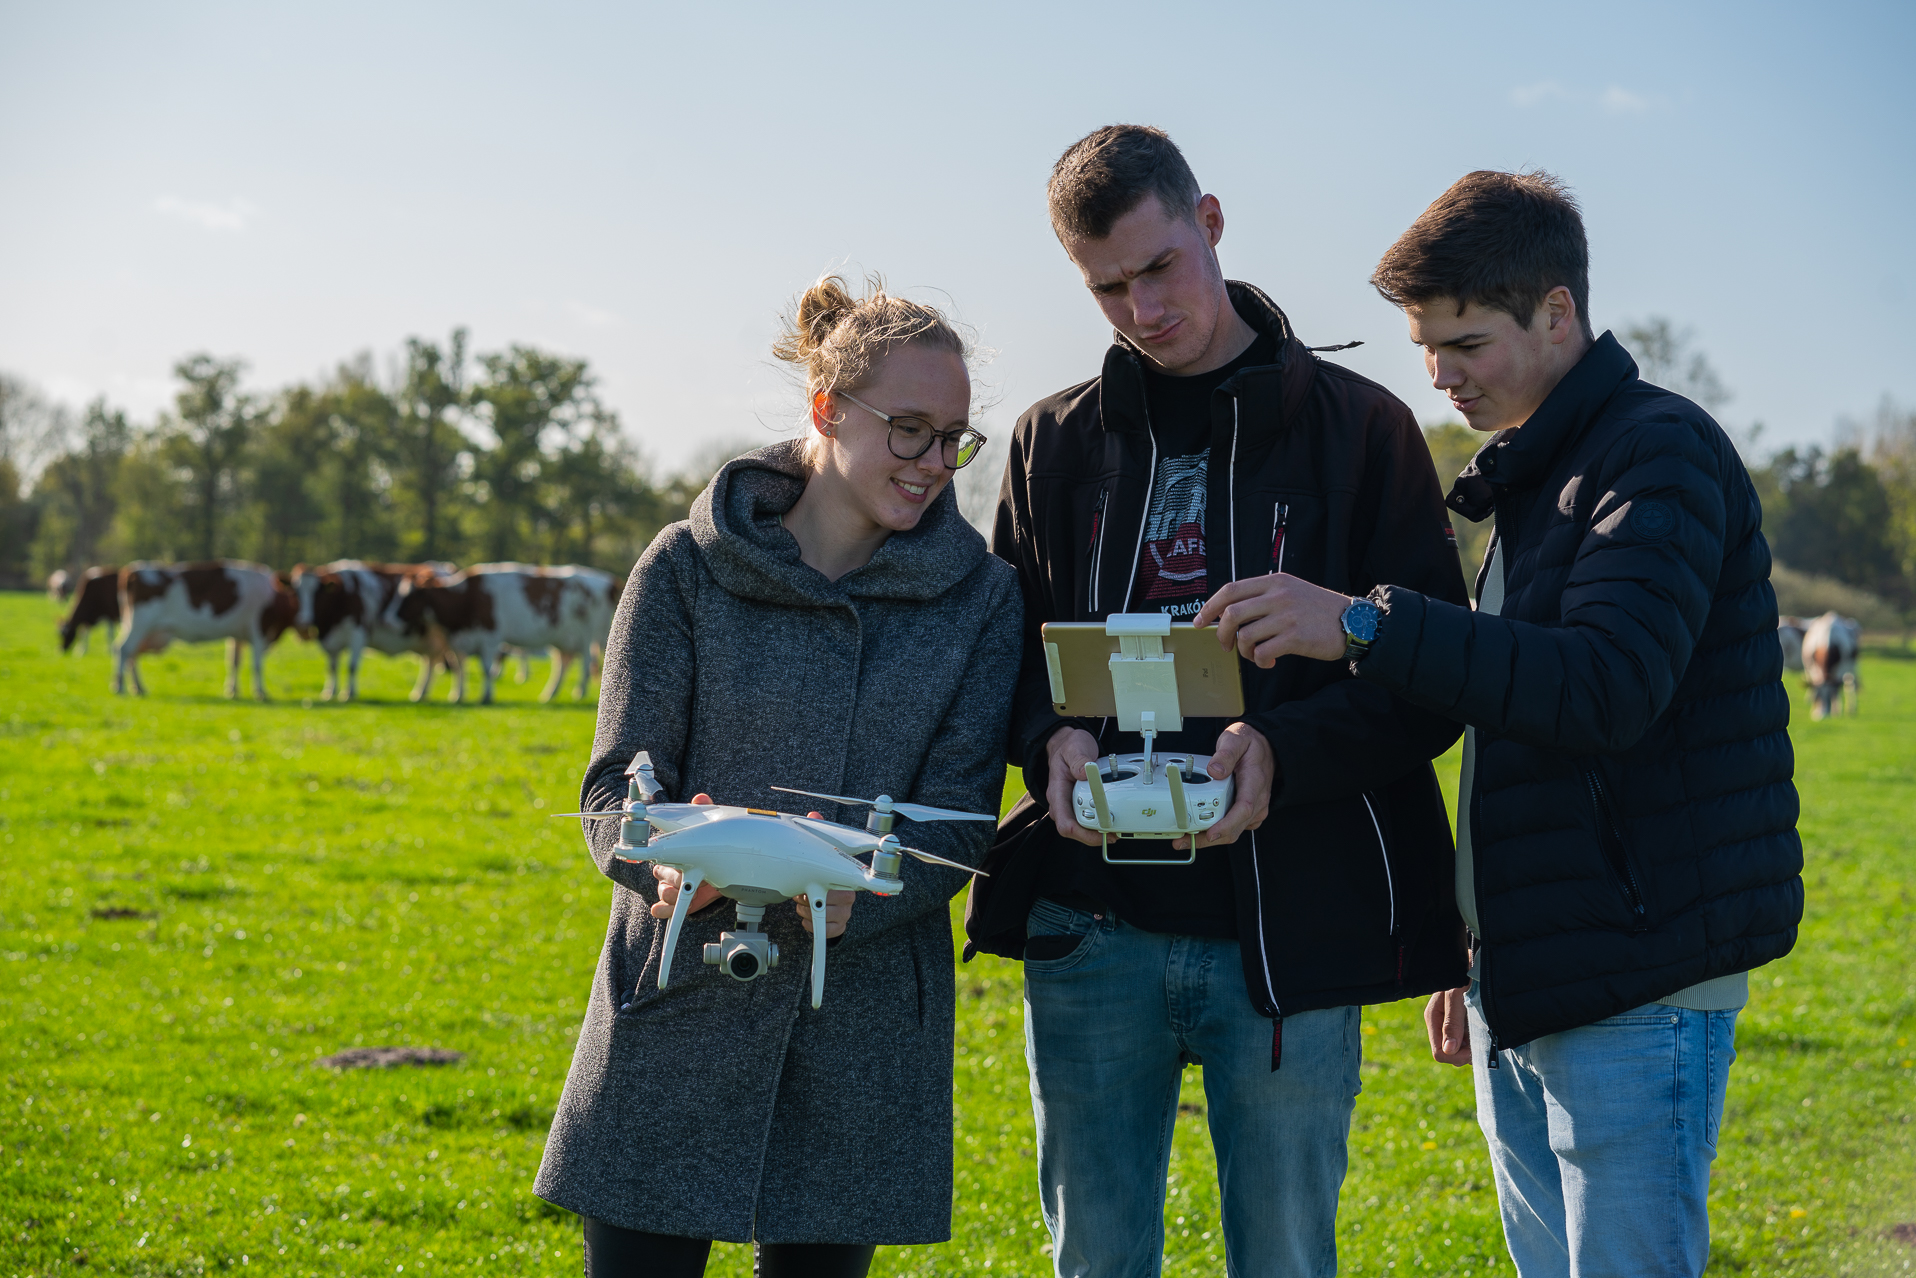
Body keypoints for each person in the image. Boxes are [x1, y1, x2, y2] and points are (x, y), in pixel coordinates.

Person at [1204, 169, 1803, 1277]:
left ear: (1557, 313)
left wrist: (1367, 627)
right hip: (1533, 971)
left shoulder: (1653, 452)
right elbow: (1514, 718)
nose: (1437, 375)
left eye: (1465, 342)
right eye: (1425, 346)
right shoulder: (1545, 471)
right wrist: (1473, 945)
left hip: (1637, 979)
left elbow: (1602, 688)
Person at [967, 124, 1471, 1278]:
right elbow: (1003, 657)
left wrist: (1281, 753)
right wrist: (1048, 738)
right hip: (1089, 929)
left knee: (1284, 1260)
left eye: (1157, 268)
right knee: (1095, 1258)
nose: (1142, 309)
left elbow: (1426, 684)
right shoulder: (1049, 442)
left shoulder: (1362, 430)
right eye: (1106, 288)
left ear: (1209, 222)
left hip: (1286, 934)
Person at [534, 276, 1023, 1277]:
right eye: (909, 431)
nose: (935, 463)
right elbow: (610, 789)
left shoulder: (981, 598)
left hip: (862, 1019)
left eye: (954, 438)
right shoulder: (682, 567)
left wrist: (872, 896)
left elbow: (963, 820)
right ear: (825, 412)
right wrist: (657, 865)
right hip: (677, 996)